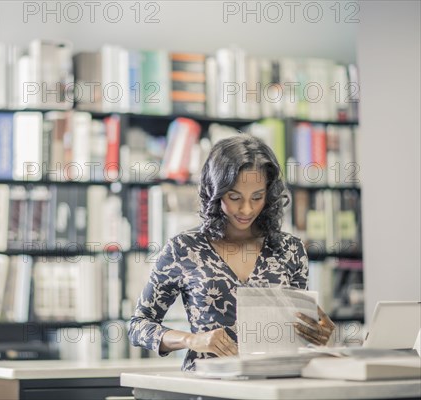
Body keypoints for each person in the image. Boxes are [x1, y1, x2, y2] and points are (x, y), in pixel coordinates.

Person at [128, 134, 335, 370]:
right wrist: (192, 339)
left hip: (273, 384)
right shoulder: (183, 249)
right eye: (234, 197)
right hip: (207, 387)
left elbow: (297, 332)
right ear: (215, 192)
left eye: (257, 197)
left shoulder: (290, 250)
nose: (246, 209)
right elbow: (138, 326)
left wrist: (320, 335)